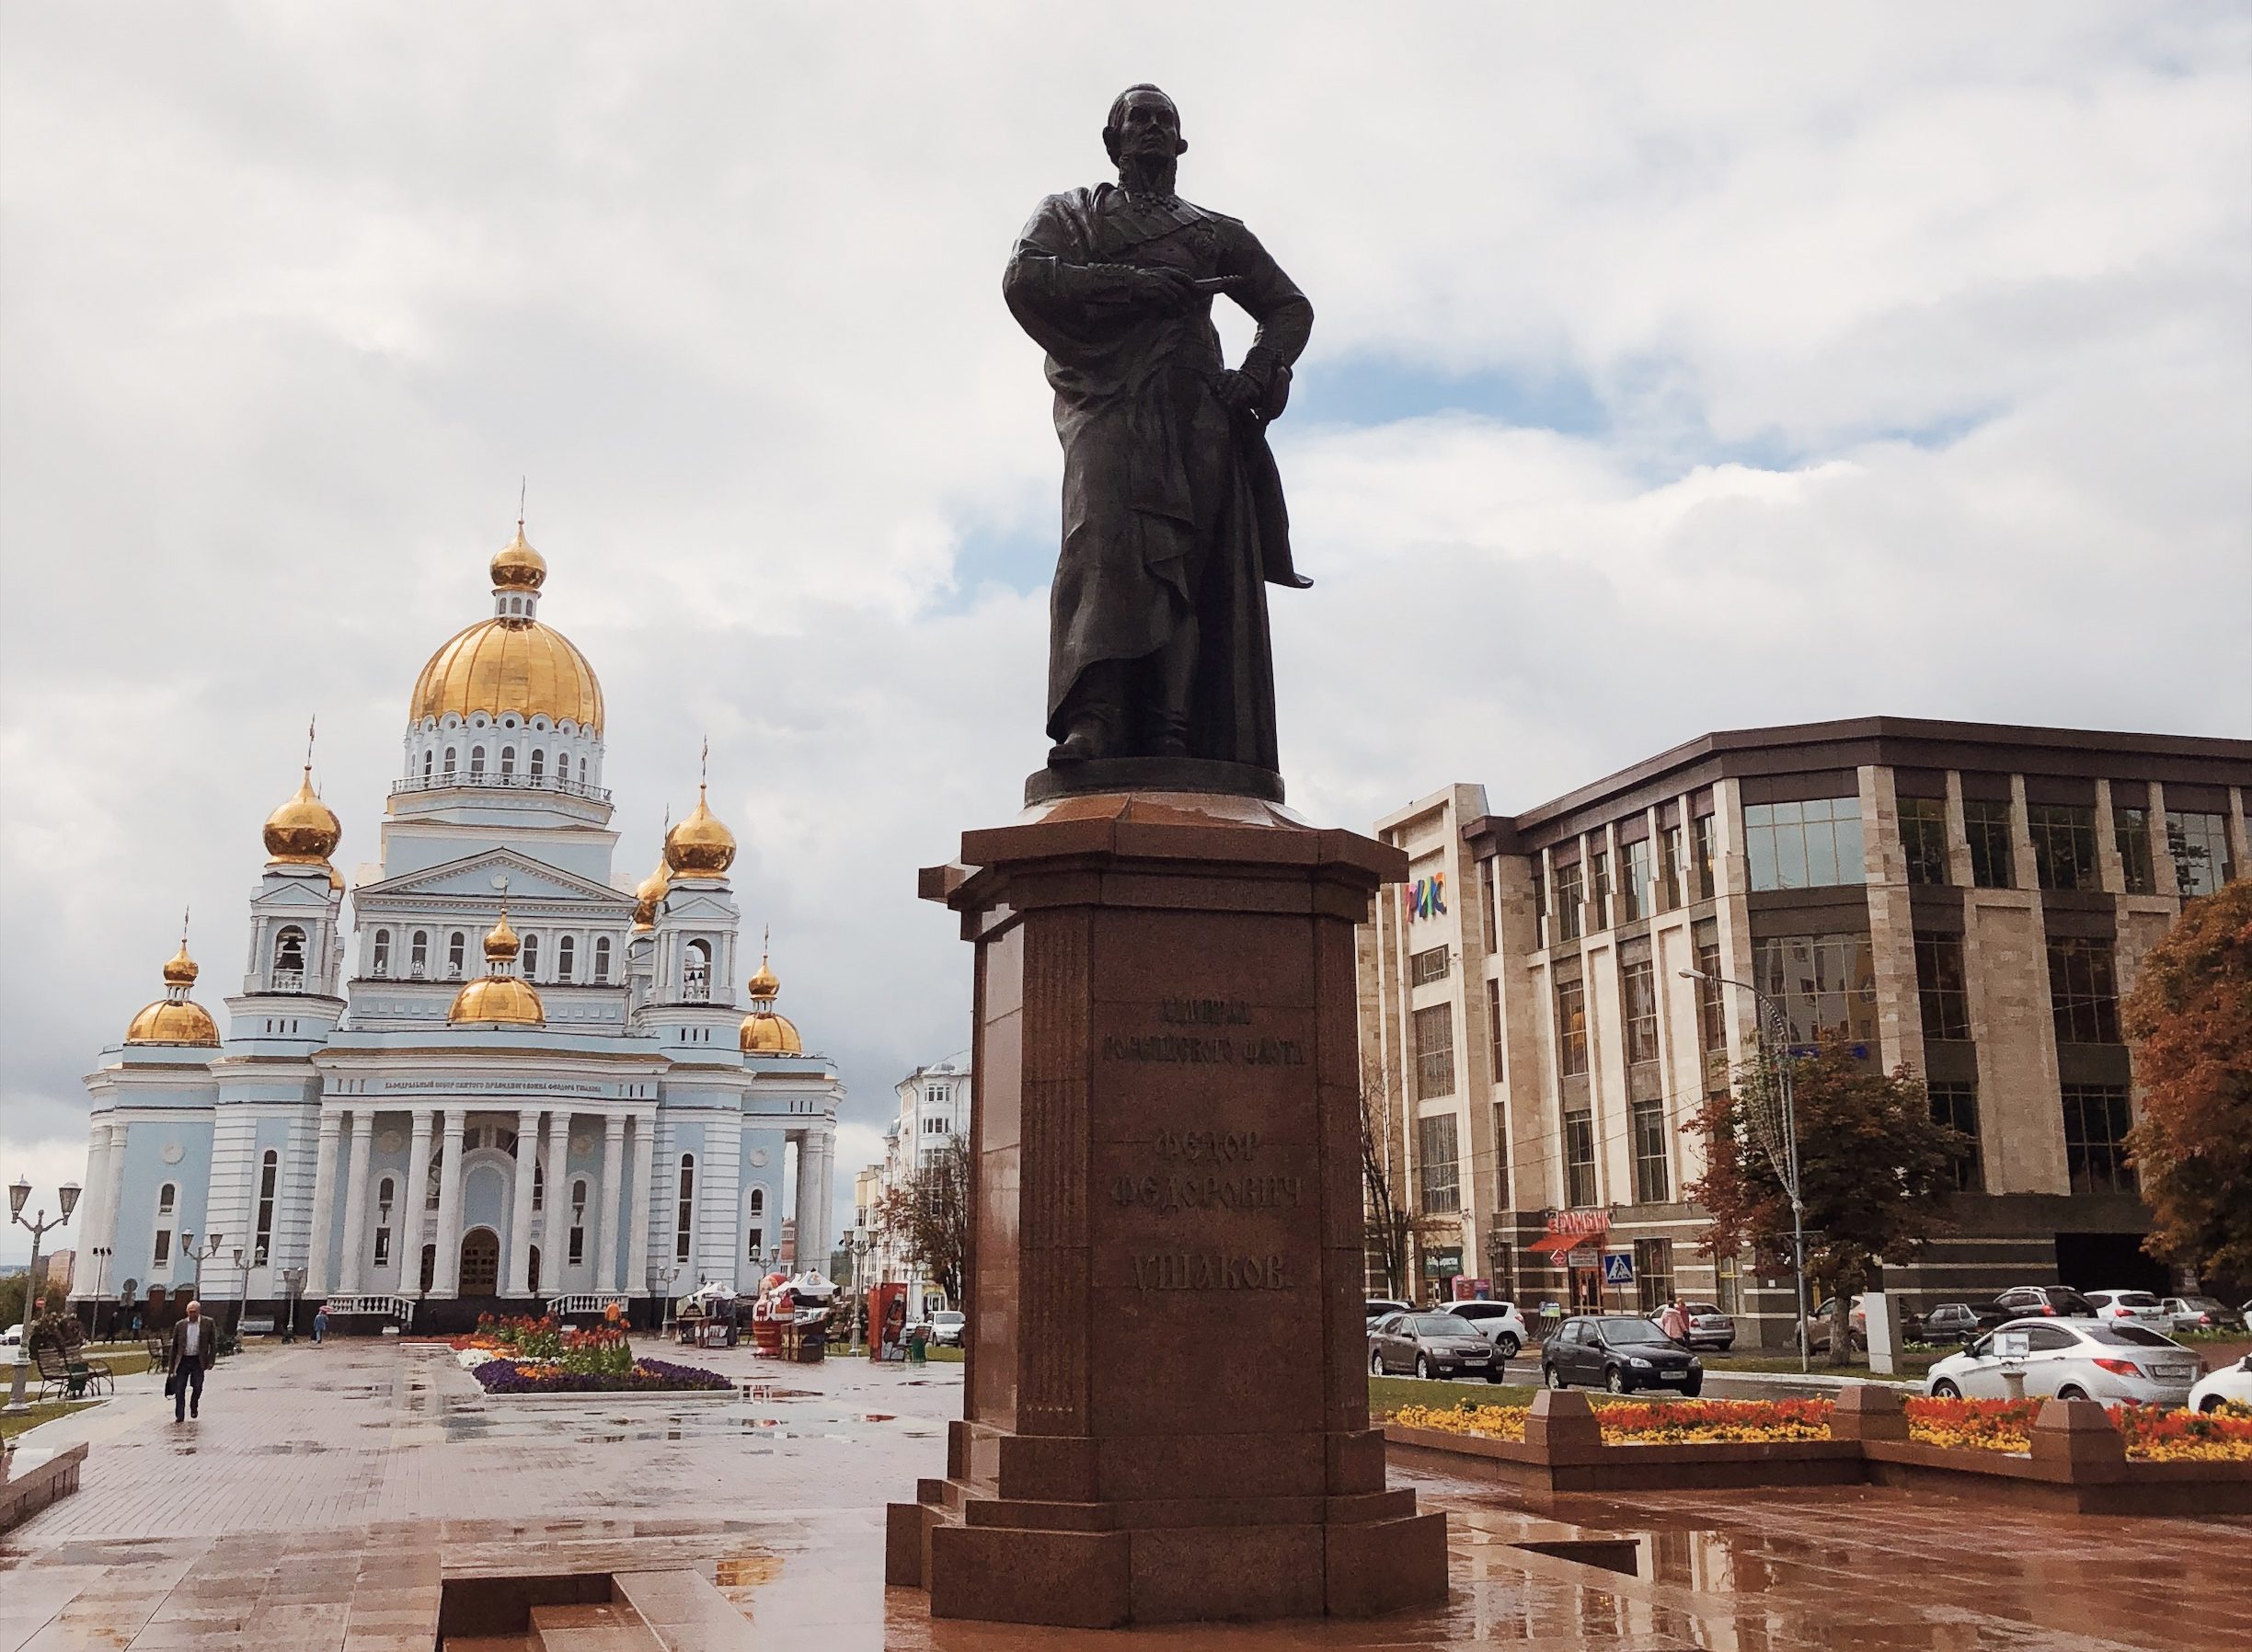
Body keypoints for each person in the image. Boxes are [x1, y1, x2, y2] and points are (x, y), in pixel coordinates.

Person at [1004, 85, 1314, 772]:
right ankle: (1095, 718)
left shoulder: (1212, 231)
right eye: (1135, 119)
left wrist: (1258, 371)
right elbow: (1025, 276)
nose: (1149, 128)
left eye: (1163, 120)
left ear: (1180, 144)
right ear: (1112, 141)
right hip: (1109, 405)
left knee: (1184, 569)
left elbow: (1288, 307)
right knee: (1103, 549)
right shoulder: (1069, 213)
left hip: (1194, 411)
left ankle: (1173, 726)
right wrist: (1130, 283)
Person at [167, 1300, 217, 1422]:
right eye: (189, 1312)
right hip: (183, 1360)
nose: (191, 1314)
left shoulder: (208, 1323)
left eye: (194, 1312)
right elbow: (175, 1347)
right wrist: (172, 1366)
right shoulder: (180, 1325)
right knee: (179, 1388)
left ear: (199, 1311)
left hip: (198, 1360)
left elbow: (213, 1343)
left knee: (198, 1386)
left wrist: (211, 1361)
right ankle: (180, 1415)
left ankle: (194, 1404)